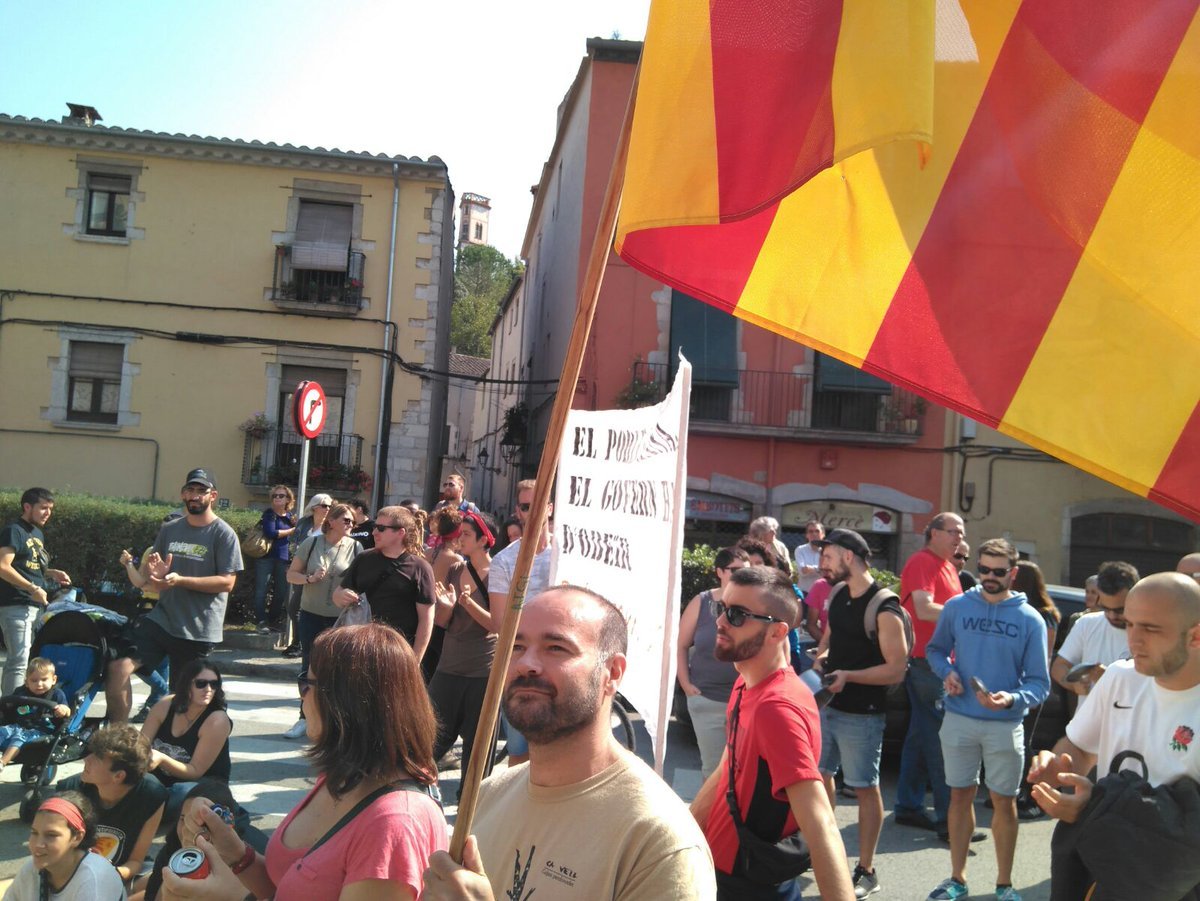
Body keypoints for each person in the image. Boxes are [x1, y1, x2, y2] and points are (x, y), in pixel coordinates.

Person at [423, 586, 717, 900]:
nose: (526, 664)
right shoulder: (487, 796)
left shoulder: (659, 841)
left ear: (612, 672)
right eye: (517, 646)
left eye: (556, 648)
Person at [159, 623, 448, 901]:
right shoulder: (346, 776)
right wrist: (236, 853)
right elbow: (286, 887)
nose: (302, 698)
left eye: (306, 684)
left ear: (345, 701)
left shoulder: (394, 826)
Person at [688, 565, 854, 900]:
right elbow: (727, 768)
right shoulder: (746, 682)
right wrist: (684, 833)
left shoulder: (776, 708)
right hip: (719, 870)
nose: (720, 622)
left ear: (778, 632)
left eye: (737, 615)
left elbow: (820, 823)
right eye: (722, 608)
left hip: (748, 884)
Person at [1028, 572, 1200, 892]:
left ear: (1195, 636)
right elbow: (1078, 749)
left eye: (1150, 628)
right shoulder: (1120, 677)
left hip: (1173, 882)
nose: (1133, 640)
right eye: (1129, 624)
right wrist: (1059, 766)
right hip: (1104, 868)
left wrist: (1095, 806)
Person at [923, 538, 1050, 901]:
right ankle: (957, 879)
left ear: (1013, 572)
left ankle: (1004, 885)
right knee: (959, 796)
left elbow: (1040, 683)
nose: (989, 578)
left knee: (1003, 802)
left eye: (998, 572)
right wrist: (945, 672)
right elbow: (934, 650)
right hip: (959, 718)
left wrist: (1011, 698)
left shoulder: (1030, 619)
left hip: (1005, 724)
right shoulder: (958, 606)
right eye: (983, 570)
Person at [813, 529, 909, 899]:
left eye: (828, 556)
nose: (823, 563)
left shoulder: (885, 607)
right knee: (820, 778)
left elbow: (896, 669)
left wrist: (849, 676)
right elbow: (831, 642)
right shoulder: (837, 594)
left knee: (866, 788)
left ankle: (866, 870)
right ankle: (826, 852)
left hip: (863, 715)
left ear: (848, 556)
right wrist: (821, 660)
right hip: (828, 705)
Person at [105, 469, 243, 723]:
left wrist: (180, 579)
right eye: (190, 490)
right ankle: (118, 739)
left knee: (182, 701)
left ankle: (178, 751)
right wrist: (157, 577)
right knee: (118, 668)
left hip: (197, 629)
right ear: (183, 493)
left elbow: (227, 582)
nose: (195, 496)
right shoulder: (170, 530)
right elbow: (153, 583)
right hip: (162, 620)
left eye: (201, 491)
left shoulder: (223, 534)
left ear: (213, 495)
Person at [893, 512, 968, 840]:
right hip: (926, 662)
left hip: (935, 661)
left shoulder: (948, 566)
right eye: (953, 531)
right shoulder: (922, 562)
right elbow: (923, 609)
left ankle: (908, 806)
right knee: (941, 740)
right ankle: (948, 822)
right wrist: (968, 612)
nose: (959, 537)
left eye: (962, 532)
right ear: (934, 533)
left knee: (920, 736)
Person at [487, 478, 554, 765]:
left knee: (559, 753)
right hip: (518, 664)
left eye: (539, 504)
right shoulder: (503, 561)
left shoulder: (570, 554)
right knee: (519, 755)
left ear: (549, 507)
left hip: (560, 663)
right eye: (527, 506)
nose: (534, 511)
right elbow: (500, 623)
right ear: (519, 511)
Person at [430, 511, 498, 794]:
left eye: (467, 535)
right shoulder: (457, 570)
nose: (460, 539)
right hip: (449, 665)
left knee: (477, 749)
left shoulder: (499, 575)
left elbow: (497, 625)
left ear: (484, 539)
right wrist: (445, 605)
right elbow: (443, 622)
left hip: (482, 670)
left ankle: (470, 807)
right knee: (429, 738)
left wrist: (468, 603)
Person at [282, 502, 362, 739]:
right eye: (347, 520)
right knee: (309, 666)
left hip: (340, 619)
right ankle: (304, 717)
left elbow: (361, 581)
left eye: (353, 522)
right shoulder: (313, 543)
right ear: (332, 520)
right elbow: (291, 575)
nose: (351, 525)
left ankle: (333, 720)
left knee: (338, 670)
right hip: (311, 614)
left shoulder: (356, 547)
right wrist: (309, 578)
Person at [57, 725, 167, 885]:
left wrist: (111, 873)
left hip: (121, 872)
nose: (86, 759)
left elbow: (136, 862)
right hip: (74, 870)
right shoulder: (70, 791)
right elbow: (56, 853)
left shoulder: (152, 794)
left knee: (157, 884)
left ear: (118, 776)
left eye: (97, 758)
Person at [677, 546, 751, 780]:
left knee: (741, 773)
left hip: (745, 702)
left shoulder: (754, 605)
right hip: (706, 700)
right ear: (719, 571)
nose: (741, 576)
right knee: (713, 773)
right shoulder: (702, 602)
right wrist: (686, 685)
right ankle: (711, 818)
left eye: (746, 571)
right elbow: (680, 645)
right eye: (735, 570)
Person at [334, 506, 436, 669]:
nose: (374, 532)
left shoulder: (420, 568)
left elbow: (426, 620)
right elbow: (338, 594)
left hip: (396, 654)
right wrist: (342, 596)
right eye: (375, 526)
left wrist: (414, 662)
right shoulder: (364, 558)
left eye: (381, 528)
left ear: (400, 532)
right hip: (359, 649)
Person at [140, 659, 232, 831]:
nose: (208, 690)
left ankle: (148, 812)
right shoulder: (166, 705)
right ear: (186, 684)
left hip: (201, 783)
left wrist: (161, 758)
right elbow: (140, 746)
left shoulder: (217, 720)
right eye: (201, 684)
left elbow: (195, 771)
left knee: (182, 793)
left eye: (214, 684)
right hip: (161, 781)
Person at [0, 487, 72, 696]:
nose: (47, 513)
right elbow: (3, 566)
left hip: (33, 604)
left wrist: (50, 573)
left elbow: (24, 565)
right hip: (15, 602)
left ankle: (18, 707)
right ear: (27, 507)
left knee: (27, 659)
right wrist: (32, 588)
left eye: (50, 509)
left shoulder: (37, 533)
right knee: (19, 660)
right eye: (43, 508)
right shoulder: (14, 530)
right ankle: (9, 711)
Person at [5, 791, 127, 900]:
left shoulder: (93, 879)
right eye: (34, 833)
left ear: (77, 837)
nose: (38, 844)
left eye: (51, 835)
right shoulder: (31, 869)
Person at [138, 780, 239, 901]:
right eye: (183, 819)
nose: (188, 828)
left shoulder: (241, 860)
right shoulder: (172, 851)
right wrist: (183, 862)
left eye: (199, 821)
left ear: (226, 822)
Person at [1050, 561, 1138, 697]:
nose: (1112, 615)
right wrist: (1075, 685)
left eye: (1120, 610)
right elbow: (1059, 667)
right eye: (1105, 608)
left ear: (1135, 596)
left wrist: (1111, 677)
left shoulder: (1149, 632)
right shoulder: (1086, 623)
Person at [280, 493, 333, 658]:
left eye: (330, 506)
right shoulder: (304, 523)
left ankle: (299, 644)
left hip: (317, 574)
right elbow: (293, 544)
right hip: (299, 572)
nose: (328, 509)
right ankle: (298, 642)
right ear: (315, 507)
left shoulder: (330, 526)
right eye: (324, 505)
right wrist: (291, 563)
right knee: (291, 606)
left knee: (298, 608)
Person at [0, 656, 70, 773]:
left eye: (44, 680)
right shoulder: (21, 692)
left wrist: (63, 709)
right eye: (34, 680)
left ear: (53, 680)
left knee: (20, 738)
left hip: (39, 730)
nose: (39, 684)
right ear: (27, 682)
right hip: (18, 726)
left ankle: (2, 762)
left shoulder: (57, 694)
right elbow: (10, 709)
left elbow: (68, 710)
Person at [253, 485, 296, 634]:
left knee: (281, 592)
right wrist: (291, 531)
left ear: (288, 499)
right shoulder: (269, 514)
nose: (277, 498)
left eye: (281, 496)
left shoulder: (290, 517)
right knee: (261, 591)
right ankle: (261, 621)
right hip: (265, 558)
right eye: (275, 496)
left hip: (283, 558)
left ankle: (273, 621)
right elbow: (271, 533)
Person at [794, 521, 826, 595]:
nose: (814, 534)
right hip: (804, 592)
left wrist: (811, 569)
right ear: (807, 535)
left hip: (822, 593)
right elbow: (803, 571)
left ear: (823, 534)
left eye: (817, 531)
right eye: (811, 531)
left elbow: (828, 572)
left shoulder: (827, 552)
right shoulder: (800, 550)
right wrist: (820, 569)